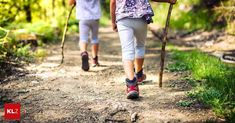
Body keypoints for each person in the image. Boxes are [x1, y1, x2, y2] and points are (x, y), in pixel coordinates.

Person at [110, 0, 177, 99]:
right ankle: (139, 74)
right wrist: (168, 0)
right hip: (140, 17)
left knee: (127, 50)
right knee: (140, 46)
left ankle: (132, 85)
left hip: (123, 17)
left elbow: (112, 2)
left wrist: (113, 21)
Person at [68, 0, 101, 71]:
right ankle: (94, 59)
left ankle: (84, 53)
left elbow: (70, 2)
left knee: (83, 38)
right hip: (95, 17)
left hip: (83, 17)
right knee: (94, 38)